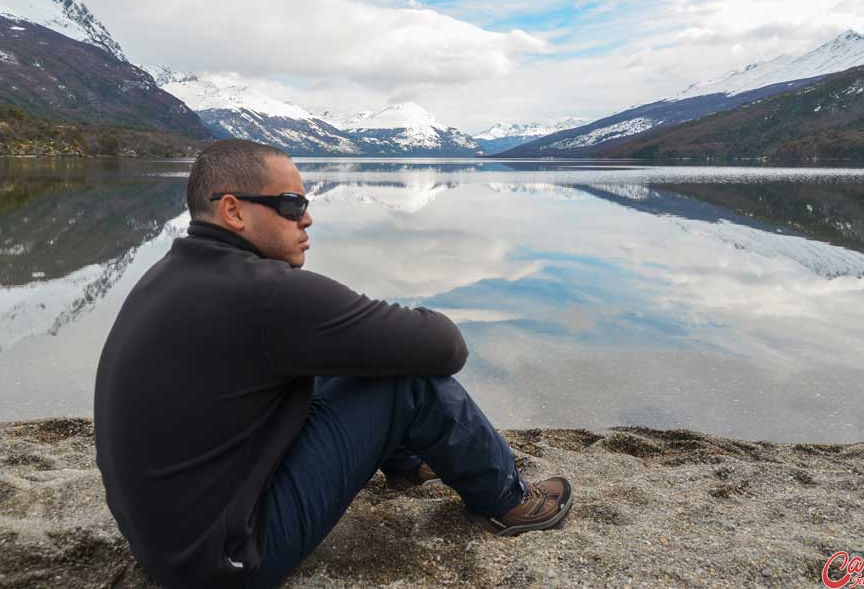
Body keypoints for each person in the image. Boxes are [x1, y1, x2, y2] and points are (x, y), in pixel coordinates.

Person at [94, 138, 574, 589]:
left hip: (168, 541)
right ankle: (509, 501)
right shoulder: (267, 295)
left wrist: (351, 332)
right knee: (407, 381)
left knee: (341, 354)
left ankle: (405, 463)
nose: (306, 219)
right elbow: (447, 347)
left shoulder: (170, 273)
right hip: (229, 559)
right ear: (233, 211)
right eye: (290, 205)